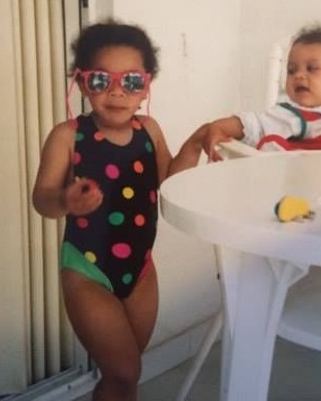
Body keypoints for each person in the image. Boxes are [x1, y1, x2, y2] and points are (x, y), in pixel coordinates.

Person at [32, 20, 206, 401]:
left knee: (124, 376)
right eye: (100, 80)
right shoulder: (68, 136)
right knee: (124, 369)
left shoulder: (150, 130)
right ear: (81, 83)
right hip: (87, 270)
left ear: (146, 87)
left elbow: (169, 181)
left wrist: (196, 143)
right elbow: (41, 198)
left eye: (130, 81)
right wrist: (65, 200)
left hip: (141, 269)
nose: (116, 91)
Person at [202, 25, 321, 161]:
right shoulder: (289, 115)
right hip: (297, 185)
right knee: (272, 143)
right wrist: (218, 128)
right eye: (291, 70)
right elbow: (252, 123)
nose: (299, 75)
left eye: (312, 68)